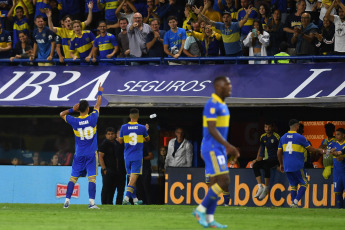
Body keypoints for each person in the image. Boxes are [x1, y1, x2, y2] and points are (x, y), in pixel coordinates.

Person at [193, 76, 240, 228]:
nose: (230, 86)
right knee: (224, 181)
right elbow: (211, 129)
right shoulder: (212, 104)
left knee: (214, 183)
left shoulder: (222, 104)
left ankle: (209, 219)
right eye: (228, 84)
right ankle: (200, 209)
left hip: (217, 148)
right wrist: (229, 146)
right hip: (212, 148)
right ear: (219, 87)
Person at [59, 83, 104, 209]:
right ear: (88, 109)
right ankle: (91, 203)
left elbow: (61, 114)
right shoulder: (93, 118)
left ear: (79, 109)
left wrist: (72, 110)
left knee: (73, 178)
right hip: (91, 153)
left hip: (79, 153)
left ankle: (66, 202)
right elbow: (98, 104)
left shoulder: (74, 120)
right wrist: (99, 92)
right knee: (92, 179)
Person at [277, 119, 327, 208]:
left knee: (293, 185)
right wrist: (321, 150)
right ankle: (295, 202)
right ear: (296, 126)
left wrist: (281, 164)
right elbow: (311, 149)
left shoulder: (283, 137)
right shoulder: (300, 137)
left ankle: (293, 204)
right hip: (297, 165)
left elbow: (278, 153)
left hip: (287, 165)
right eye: (298, 126)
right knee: (304, 183)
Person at [119, 108, 150, 205]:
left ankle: (135, 200)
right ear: (138, 116)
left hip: (127, 156)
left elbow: (120, 141)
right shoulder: (142, 128)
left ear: (129, 116)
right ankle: (126, 198)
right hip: (137, 156)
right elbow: (147, 139)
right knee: (133, 179)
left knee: (131, 179)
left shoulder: (123, 127)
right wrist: (146, 130)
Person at [252, 121, 280, 200]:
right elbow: (261, 151)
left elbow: (281, 151)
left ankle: (266, 188)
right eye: (266, 127)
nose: (267, 129)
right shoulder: (263, 137)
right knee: (255, 165)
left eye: (269, 127)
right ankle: (260, 186)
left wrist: (281, 163)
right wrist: (257, 160)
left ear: (272, 128)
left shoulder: (276, 137)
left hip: (276, 159)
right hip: (268, 159)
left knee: (266, 166)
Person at [99, 127, 126, 205]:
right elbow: (100, 156)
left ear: (115, 135)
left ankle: (109, 203)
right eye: (108, 134)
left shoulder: (116, 143)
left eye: (112, 134)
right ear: (106, 135)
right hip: (107, 169)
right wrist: (104, 169)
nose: (110, 136)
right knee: (106, 188)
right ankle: (104, 203)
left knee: (112, 189)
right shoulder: (104, 143)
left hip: (115, 170)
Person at [330, 128, 345, 208]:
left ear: (343, 135)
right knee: (338, 193)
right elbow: (326, 154)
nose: (336, 136)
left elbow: (340, 155)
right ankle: (340, 210)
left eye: (338, 134)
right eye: (335, 134)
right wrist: (330, 152)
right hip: (337, 172)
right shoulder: (333, 144)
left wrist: (343, 158)